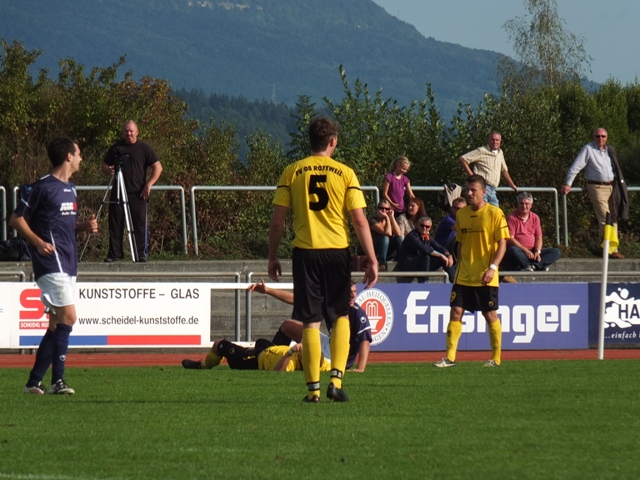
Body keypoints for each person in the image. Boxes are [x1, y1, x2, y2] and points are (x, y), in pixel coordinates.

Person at [268, 116, 377, 403]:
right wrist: (372, 258)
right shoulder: (345, 173)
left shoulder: (292, 171)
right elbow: (360, 221)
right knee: (340, 317)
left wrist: (272, 256)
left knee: (310, 321)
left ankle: (313, 390)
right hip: (336, 252)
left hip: (305, 253)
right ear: (333, 141)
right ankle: (336, 381)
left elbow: (277, 222)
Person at [9, 137, 98, 394]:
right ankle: (58, 381)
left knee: (56, 324)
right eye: (78, 153)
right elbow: (16, 219)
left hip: (68, 262)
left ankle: (33, 382)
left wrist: (83, 227)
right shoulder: (43, 186)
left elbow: (63, 224)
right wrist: (38, 242)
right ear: (68, 156)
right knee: (69, 317)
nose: (81, 158)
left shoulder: (71, 188)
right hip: (50, 263)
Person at [434, 174, 509, 368]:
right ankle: (450, 358)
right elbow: (460, 242)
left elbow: (502, 244)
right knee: (455, 312)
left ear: (483, 192)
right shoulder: (461, 214)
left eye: (473, 190)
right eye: (467, 190)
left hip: (485, 274)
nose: (469, 193)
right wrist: (459, 263)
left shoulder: (494, 213)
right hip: (463, 274)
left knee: (489, 315)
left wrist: (493, 268)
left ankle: (496, 359)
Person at [252, 280, 372, 373]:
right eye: (349, 292)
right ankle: (273, 357)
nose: (353, 295)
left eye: (355, 292)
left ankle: (278, 363)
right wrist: (267, 290)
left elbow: (365, 341)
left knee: (307, 354)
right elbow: (296, 300)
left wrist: (360, 368)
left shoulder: (357, 313)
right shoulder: (330, 304)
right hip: (329, 344)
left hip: (336, 358)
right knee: (288, 326)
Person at [561, 128, 628, 259]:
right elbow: (576, 166)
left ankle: (612, 247)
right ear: (593, 137)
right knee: (605, 218)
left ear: (606, 137)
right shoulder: (588, 149)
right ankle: (610, 250)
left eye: (603, 136)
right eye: (598, 136)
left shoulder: (609, 150)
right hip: (597, 187)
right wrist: (568, 183)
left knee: (614, 217)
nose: (600, 139)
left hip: (612, 187)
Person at [102, 120, 163, 263]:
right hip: (118, 191)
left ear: (137, 132)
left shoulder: (145, 148)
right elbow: (104, 165)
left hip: (138, 192)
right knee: (116, 223)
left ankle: (140, 253)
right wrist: (108, 169)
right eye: (126, 131)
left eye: (131, 131)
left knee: (139, 224)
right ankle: (114, 253)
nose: (128, 133)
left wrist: (149, 184)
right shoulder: (116, 148)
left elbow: (158, 167)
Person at [182, 338, 331, 372]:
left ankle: (203, 366)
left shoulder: (291, 362)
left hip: (255, 359)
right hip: (269, 349)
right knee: (261, 341)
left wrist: (290, 352)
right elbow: (333, 366)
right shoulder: (321, 363)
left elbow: (279, 373)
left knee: (219, 344)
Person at [502, 192, 561, 272]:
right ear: (518, 204)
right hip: (520, 250)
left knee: (556, 252)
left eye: (527, 204)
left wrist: (537, 252)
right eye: (521, 203)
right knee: (513, 250)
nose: (524, 206)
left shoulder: (535, 217)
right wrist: (525, 251)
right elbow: (510, 239)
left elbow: (538, 237)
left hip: (533, 250)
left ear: (531, 205)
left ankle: (534, 266)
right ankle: (536, 266)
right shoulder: (511, 218)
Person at [459, 131, 518, 206]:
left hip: (493, 190)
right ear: (488, 140)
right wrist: (472, 176)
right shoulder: (481, 150)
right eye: (492, 140)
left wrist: (512, 185)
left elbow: (504, 170)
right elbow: (463, 159)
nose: (495, 142)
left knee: (495, 211)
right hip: (482, 186)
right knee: (481, 210)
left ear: (500, 141)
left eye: (497, 140)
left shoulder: (500, 153)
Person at [395, 216, 455, 283]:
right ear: (417, 225)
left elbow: (439, 247)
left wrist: (448, 255)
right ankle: (425, 282)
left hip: (422, 265)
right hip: (407, 265)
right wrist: (441, 255)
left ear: (430, 228)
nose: (424, 228)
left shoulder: (428, 237)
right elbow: (425, 249)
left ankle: (455, 282)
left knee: (445, 259)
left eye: (427, 227)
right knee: (425, 255)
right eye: (422, 225)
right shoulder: (412, 236)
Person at [369, 200, 403, 271]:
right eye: (381, 208)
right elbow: (388, 233)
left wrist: (392, 218)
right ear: (377, 209)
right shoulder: (372, 220)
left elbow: (399, 233)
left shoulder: (389, 221)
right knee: (385, 238)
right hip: (375, 250)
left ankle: (402, 262)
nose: (384, 210)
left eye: (387, 209)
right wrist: (387, 217)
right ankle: (382, 264)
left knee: (399, 238)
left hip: (387, 251)